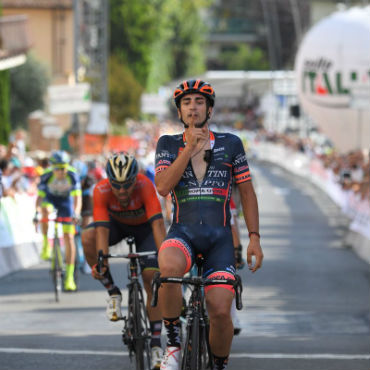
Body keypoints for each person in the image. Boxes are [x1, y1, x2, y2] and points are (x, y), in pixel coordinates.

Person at [154, 79, 263, 370]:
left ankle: (218, 364)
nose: (193, 107)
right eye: (186, 103)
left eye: (199, 102)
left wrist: (254, 238)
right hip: (183, 235)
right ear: (179, 111)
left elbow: (247, 192)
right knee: (168, 267)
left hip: (220, 240)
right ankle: (174, 346)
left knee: (220, 311)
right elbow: (163, 187)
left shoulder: (231, 144)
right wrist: (188, 150)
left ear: (209, 109)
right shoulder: (168, 144)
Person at [81, 152, 167, 370]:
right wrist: (102, 262)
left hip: (145, 229)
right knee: (87, 237)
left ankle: (157, 345)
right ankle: (113, 292)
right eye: (116, 185)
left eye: (127, 185)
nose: (121, 191)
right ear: (109, 181)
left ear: (134, 180)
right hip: (116, 226)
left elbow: (157, 226)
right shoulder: (100, 189)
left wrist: (165, 259)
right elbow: (101, 229)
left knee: (151, 277)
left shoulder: (145, 186)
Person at [34, 150, 82, 291]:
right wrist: (37, 213)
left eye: (64, 167)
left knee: (69, 238)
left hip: (66, 204)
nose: (61, 171)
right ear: (52, 167)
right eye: (58, 168)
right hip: (51, 200)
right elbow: (39, 198)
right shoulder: (46, 175)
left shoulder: (73, 175)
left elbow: (77, 199)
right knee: (46, 211)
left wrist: (76, 213)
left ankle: (69, 277)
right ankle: (46, 244)